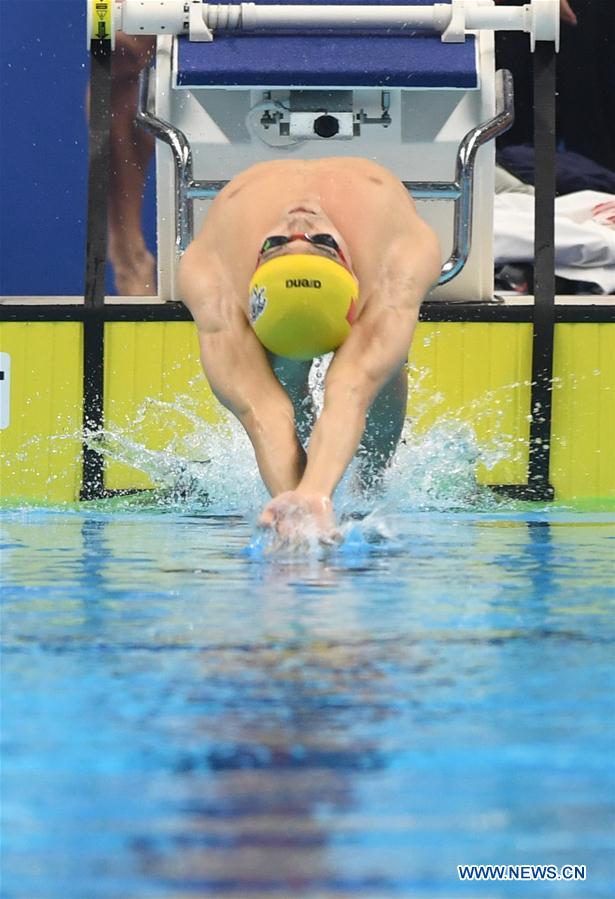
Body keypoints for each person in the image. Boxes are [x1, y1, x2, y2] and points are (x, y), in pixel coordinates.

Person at [178, 158, 441, 543]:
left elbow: (353, 388)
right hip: (278, 304)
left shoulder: (401, 262)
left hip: (368, 269)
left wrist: (316, 491)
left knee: (378, 374)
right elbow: (262, 412)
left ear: (351, 270)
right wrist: (299, 504)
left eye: (322, 243)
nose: (299, 226)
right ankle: (304, 497)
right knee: (282, 376)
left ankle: (370, 486)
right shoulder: (210, 279)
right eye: (278, 244)